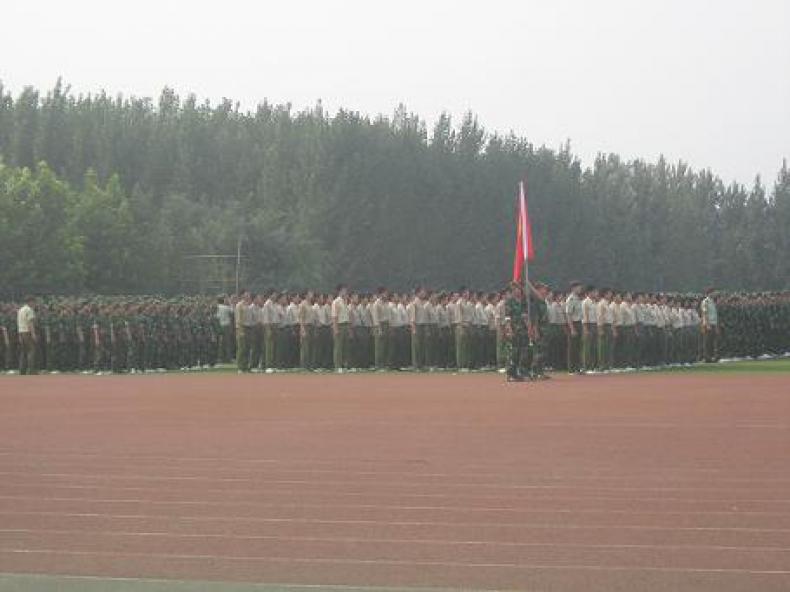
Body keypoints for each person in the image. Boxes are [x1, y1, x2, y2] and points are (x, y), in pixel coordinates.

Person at [504, 283, 528, 381]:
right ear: (512, 291)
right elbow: (507, 318)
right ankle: (510, 374)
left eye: (518, 288)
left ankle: (520, 372)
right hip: (514, 329)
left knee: (523, 352)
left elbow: (526, 316)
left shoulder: (523, 302)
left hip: (523, 330)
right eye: (515, 289)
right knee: (514, 352)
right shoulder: (510, 302)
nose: (517, 290)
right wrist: (509, 330)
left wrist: (529, 328)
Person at [17, 296, 38, 375]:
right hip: (27, 332)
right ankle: (31, 369)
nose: (35, 304)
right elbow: (30, 323)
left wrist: (19, 334)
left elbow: (19, 323)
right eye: (34, 302)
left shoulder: (20, 310)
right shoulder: (29, 310)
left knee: (23, 352)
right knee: (31, 350)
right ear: (30, 302)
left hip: (21, 332)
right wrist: (33, 334)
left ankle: (22, 370)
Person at [331, 285, 350, 372]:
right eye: (343, 290)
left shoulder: (345, 301)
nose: (345, 292)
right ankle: (337, 366)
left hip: (346, 324)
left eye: (345, 290)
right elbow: (334, 316)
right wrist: (335, 328)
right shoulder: (336, 302)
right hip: (339, 325)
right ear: (339, 291)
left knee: (346, 347)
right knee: (338, 347)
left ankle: (345, 365)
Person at [235, 290, 253, 372]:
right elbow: (238, 319)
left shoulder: (248, 305)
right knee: (242, 348)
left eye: (248, 294)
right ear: (242, 295)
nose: (248, 296)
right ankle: (240, 367)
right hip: (242, 328)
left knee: (248, 348)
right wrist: (240, 330)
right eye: (246, 294)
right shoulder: (239, 305)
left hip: (249, 328)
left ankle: (246, 366)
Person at [700, 288, 719, 363]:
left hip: (713, 323)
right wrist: (707, 324)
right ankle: (706, 357)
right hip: (708, 324)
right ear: (709, 293)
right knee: (707, 342)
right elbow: (704, 313)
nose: (714, 294)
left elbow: (715, 315)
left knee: (712, 342)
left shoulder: (713, 302)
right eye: (713, 292)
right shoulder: (705, 301)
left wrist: (716, 325)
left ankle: (711, 357)